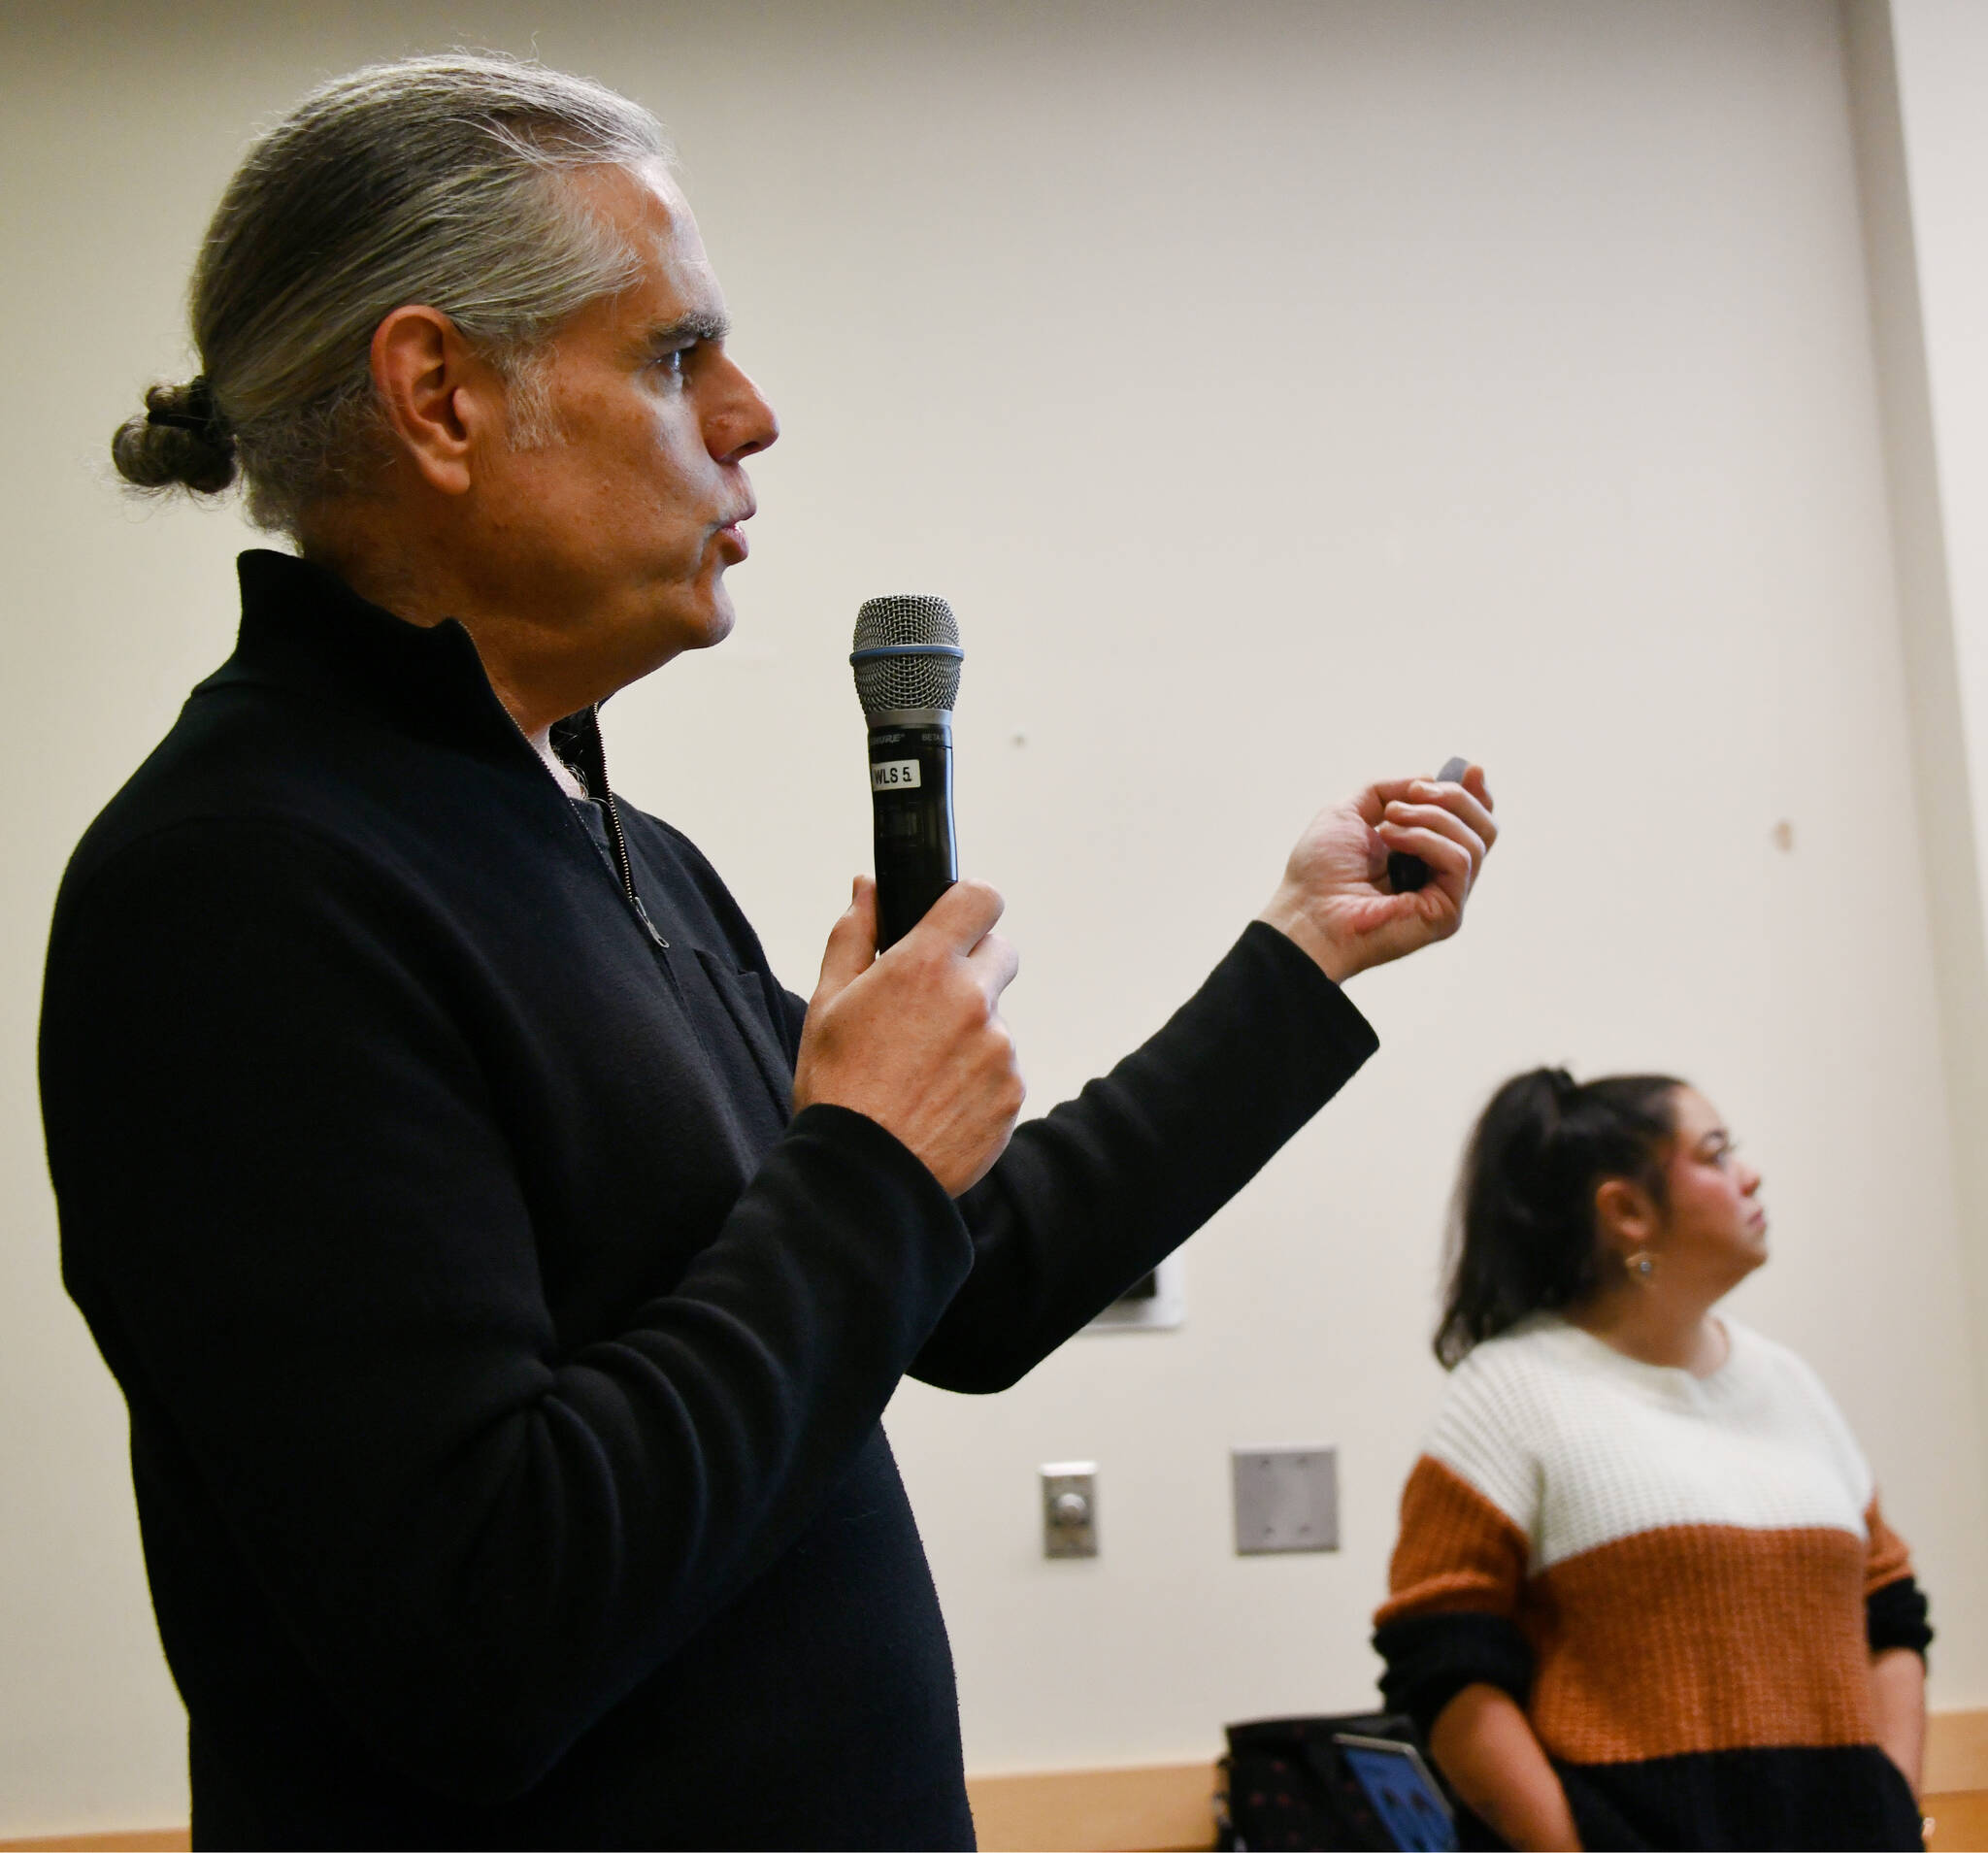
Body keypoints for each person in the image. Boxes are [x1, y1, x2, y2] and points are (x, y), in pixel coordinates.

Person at [42, 53, 1497, 1851]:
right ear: (439, 396)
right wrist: (864, 1159)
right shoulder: (240, 885)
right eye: (674, 355)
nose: (752, 415)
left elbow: (955, 1275)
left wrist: (1297, 958)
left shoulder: (610, 848)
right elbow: (481, 1625)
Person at [1374, 1070, 1931, 1852]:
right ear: (1626, 1210)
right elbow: (1444, 1666)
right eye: (1716, 1153)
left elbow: (1892, 1614)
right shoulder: (1505, 1396)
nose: (1750, 1174)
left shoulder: (1792, 1385)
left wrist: (1891, 1811)